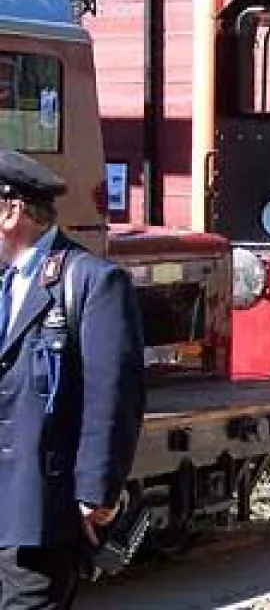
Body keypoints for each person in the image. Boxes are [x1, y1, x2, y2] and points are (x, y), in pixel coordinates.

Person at [0, 149, 145, 609]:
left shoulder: (90, 282)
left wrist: (96, 493)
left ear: (11, 209)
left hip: (41, 510)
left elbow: (113, 397)